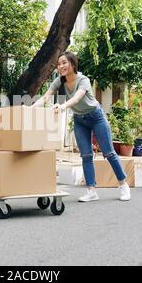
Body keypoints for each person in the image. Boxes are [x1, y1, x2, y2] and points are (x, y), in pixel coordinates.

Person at [33, 51, 131, 202]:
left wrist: (63, 106)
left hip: (96, 117)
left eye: (64, 62)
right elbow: (46, 96)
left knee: (109, 152)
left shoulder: (83, 80)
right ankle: (92, 191)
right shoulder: (59, 81)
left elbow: (78, 97)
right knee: (86, 155)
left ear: (72, 64)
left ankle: (123, 185)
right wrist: (30, 109)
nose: (61, 66)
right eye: (59, 64)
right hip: (80, 120)